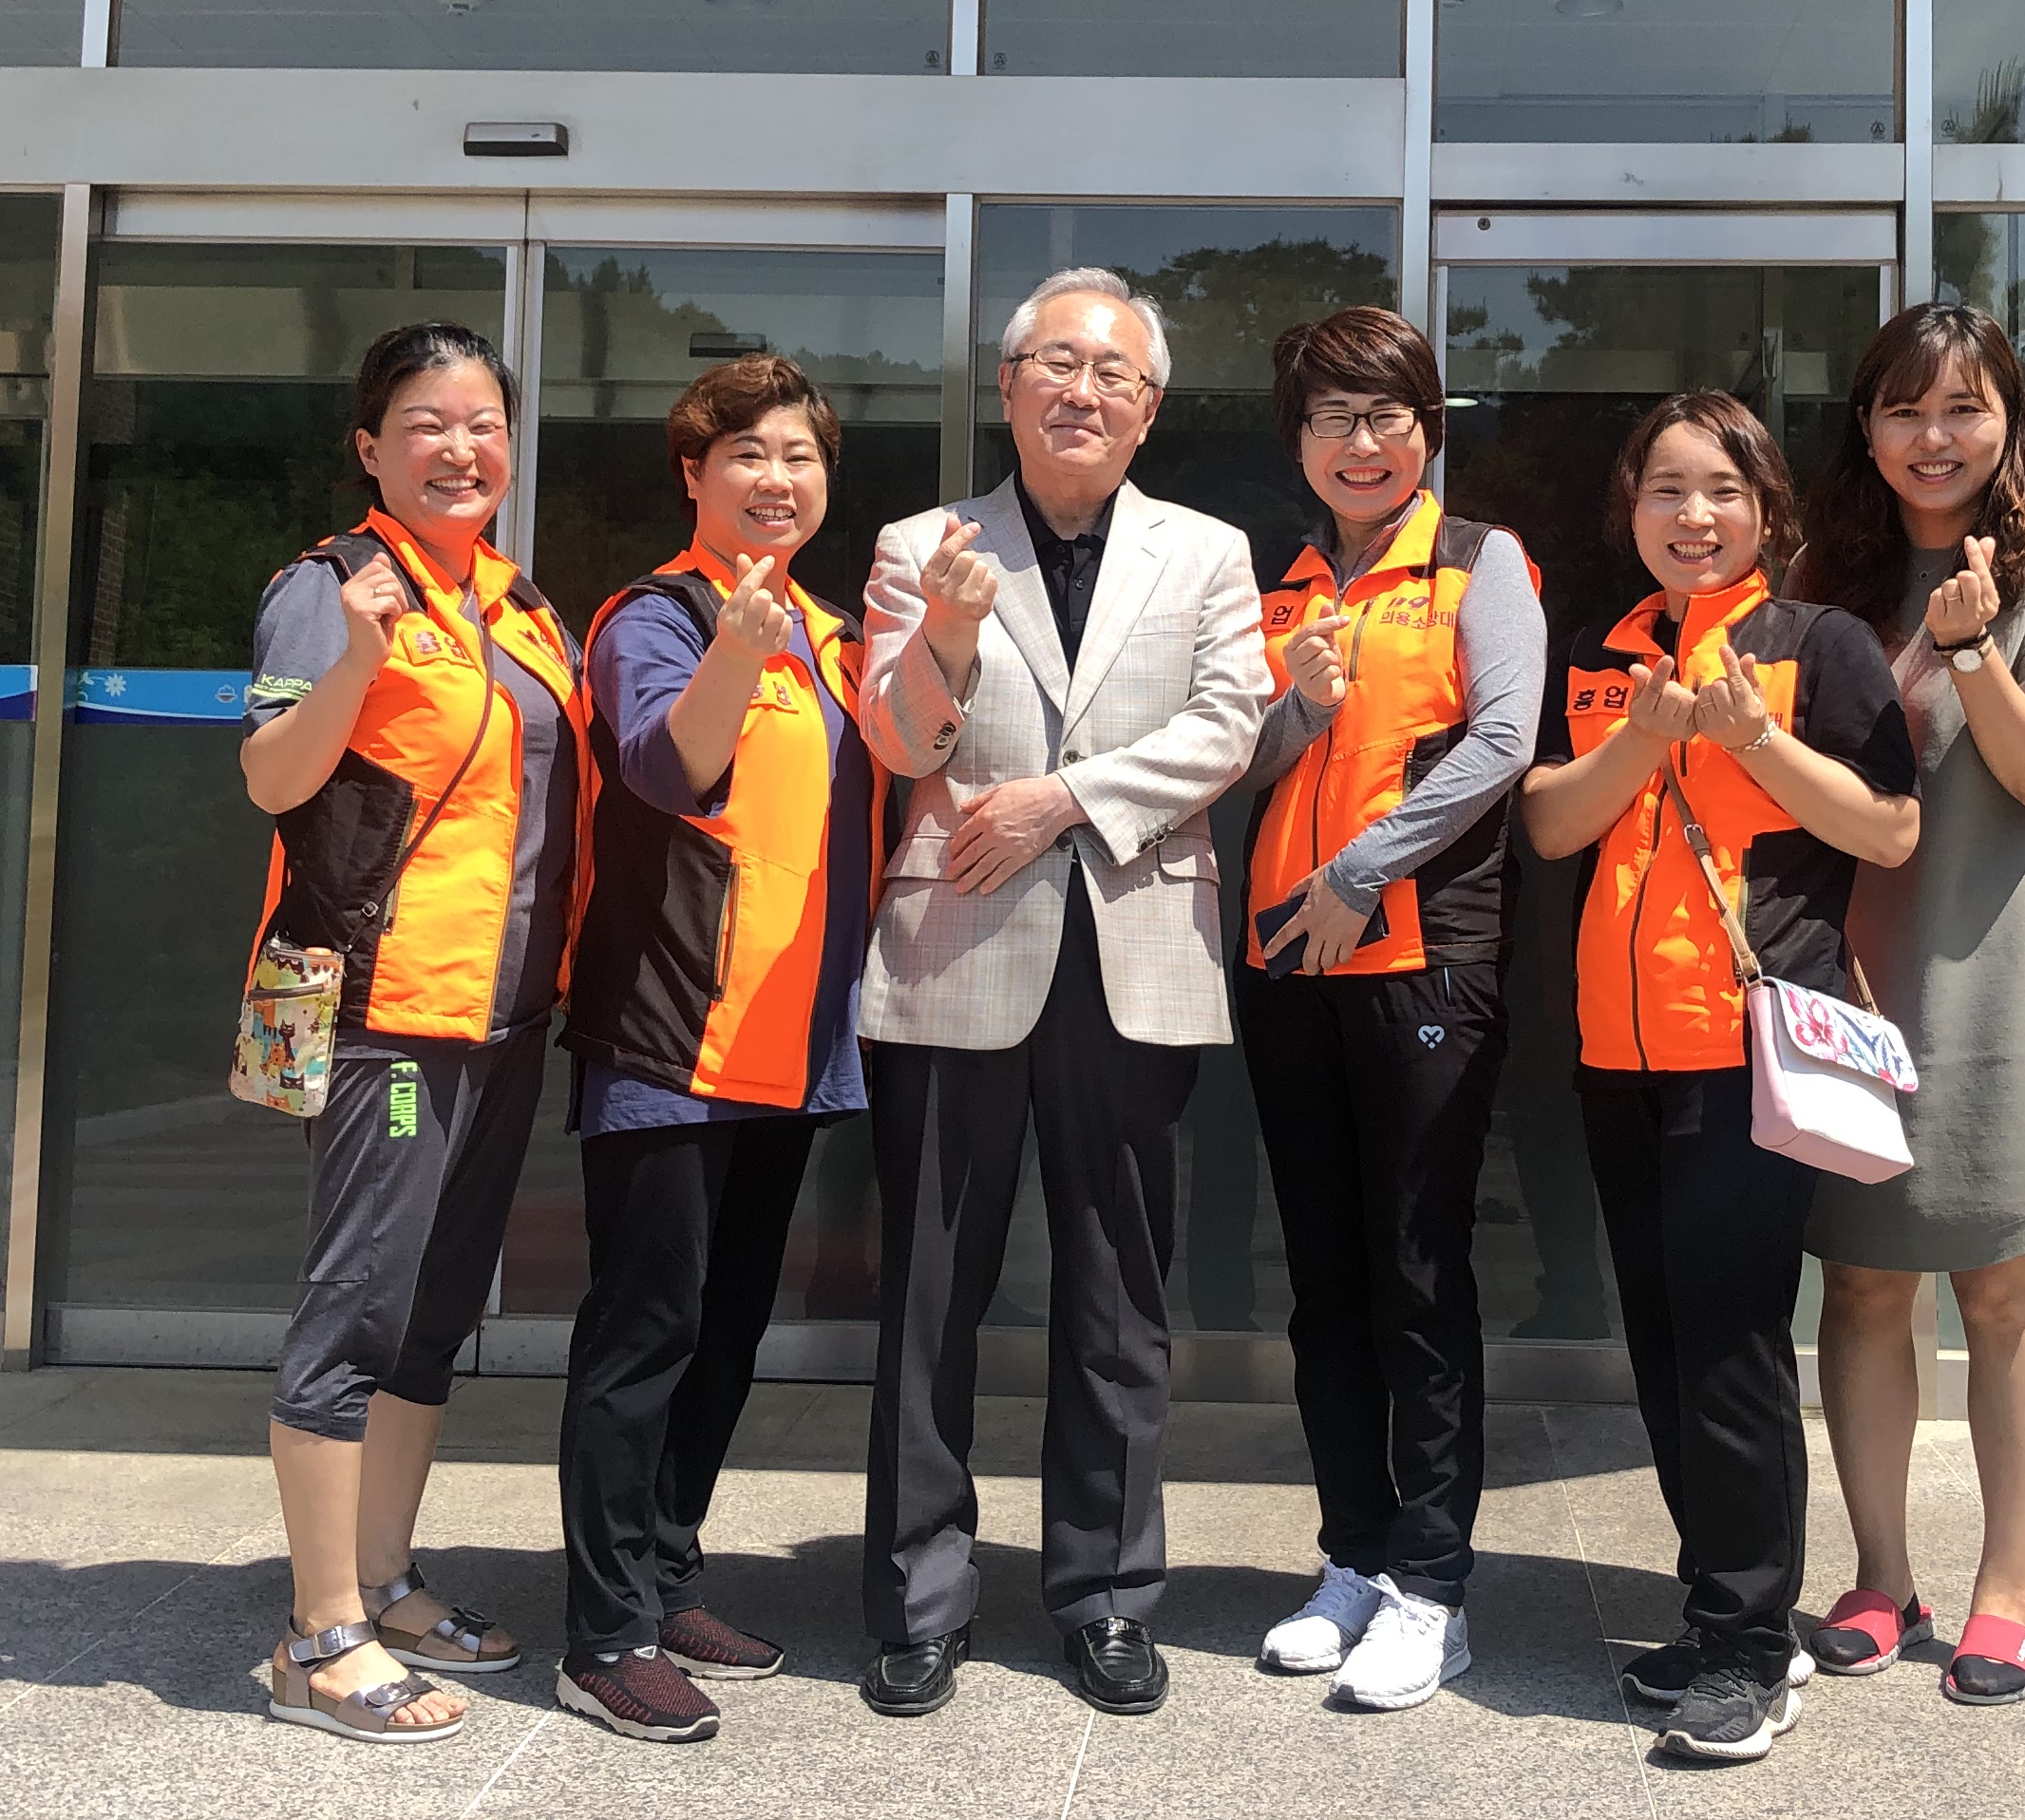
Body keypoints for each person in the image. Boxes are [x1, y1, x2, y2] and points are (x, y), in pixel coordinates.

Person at [854, 266, 1269, 1720]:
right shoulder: (922, 544)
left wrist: (1062, 801)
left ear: (1149, 409)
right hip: (956, 946)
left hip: (1134, 951)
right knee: (931, 1294)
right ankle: (919, 1598)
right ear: (1010, 383)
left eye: (1114, 375)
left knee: (1117, 1295)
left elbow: (1230, 721)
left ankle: (1106, 1595)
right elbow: (899, 743)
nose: (1083, 392)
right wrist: (949, 638)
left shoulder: (1207, 551)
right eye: (1058, 365)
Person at [1519, 389, 1919, 1764]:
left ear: (1768, 510)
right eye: (1666, 490)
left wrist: (1751, 738)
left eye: (1724, 490)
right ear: (1629, 511)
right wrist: (1641, 736)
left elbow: (1889, 828)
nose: (1694, 516)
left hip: (1747, 1052)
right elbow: (1552, 825)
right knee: (1665, 1343)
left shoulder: (1822, 644)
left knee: (1734, 1346)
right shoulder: (1605, 649)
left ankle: (1752, 1643)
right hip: (1615, 1049)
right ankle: (1717, 1611)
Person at [1792, 302, 2025, 1708]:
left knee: (2004, 1288)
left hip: (2006, 976)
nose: (1933, 437)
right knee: (1863, 1281)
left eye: (1963, 408)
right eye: (1904, 409)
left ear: (2010, 420)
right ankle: (1882, 1577)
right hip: (1854, 979)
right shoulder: (1822, 576)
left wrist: (1975, 649)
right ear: (1867, 426)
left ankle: (2006, 1594)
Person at [238, 321, 577, 1744]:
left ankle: (382, 1581)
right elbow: (272, 777)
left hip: (504, 1013)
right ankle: (317, 1638)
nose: (461, 448)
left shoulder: (517, 603)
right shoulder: (332, 590)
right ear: (371, 447)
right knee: (359, 1306)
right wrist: (357, 661)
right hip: (389, 1007)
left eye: (484, 422)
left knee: (436, 1310)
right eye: (428, 423)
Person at [551, 353, 882, 1745]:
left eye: (800, 456)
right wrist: (735, 652)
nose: (777, 478)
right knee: (646, 1330)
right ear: (694, 473)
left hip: (788, 1045)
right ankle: (603, 1631)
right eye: (748, 453)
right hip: (669, 1037)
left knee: (728, 1329)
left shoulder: (829, 631)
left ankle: (668, 1572)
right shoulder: (660, 615)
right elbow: (660, 766)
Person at [1238, 306, 1542, 1710]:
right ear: (1297, 440)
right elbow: (1239, 767)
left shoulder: (1481, 563)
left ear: (1426, 430)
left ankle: (1433, 1587)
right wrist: (1296, 712)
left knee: (1419, 1276)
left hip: (1423, 957)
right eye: (1330, 419)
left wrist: (1363, 869)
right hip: (1289, 966)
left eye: (1385, 417)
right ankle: (1353, 1556)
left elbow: (1504, 741)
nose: (1359, 444)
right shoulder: (1283, 588)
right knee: (1325, 1285)